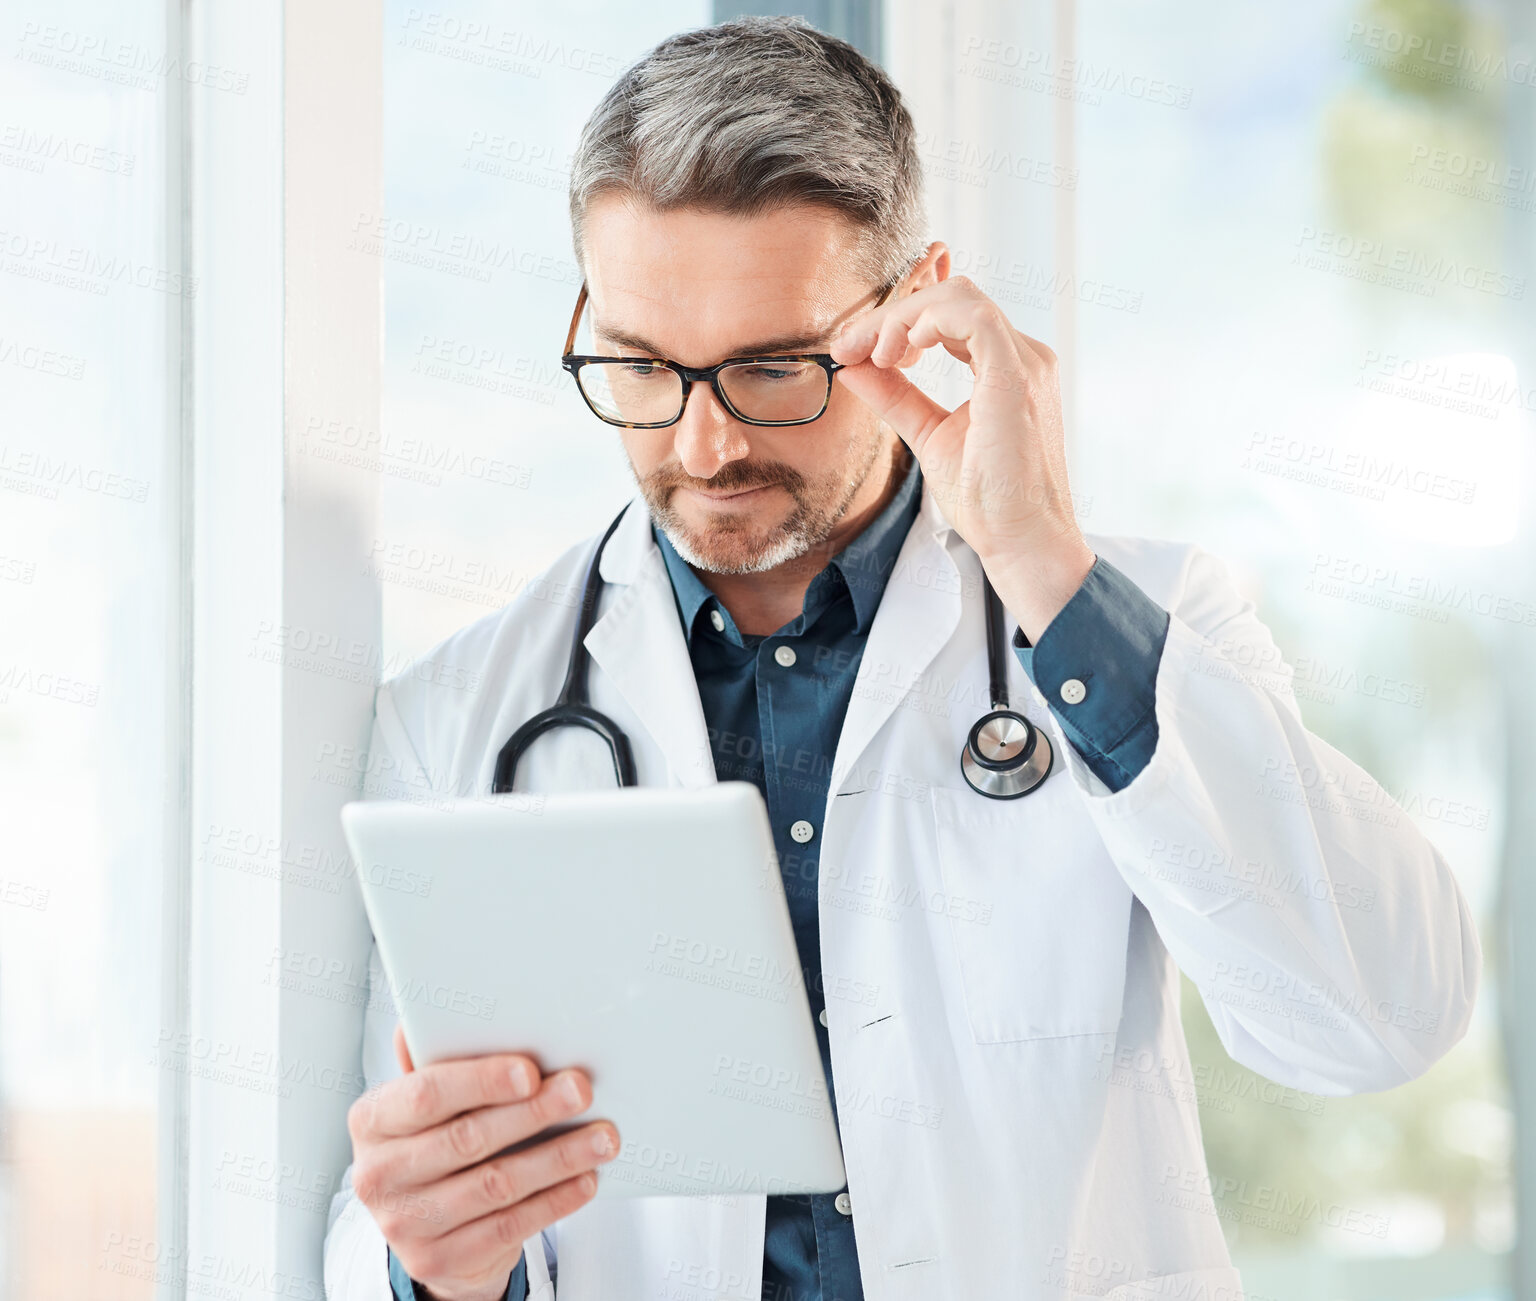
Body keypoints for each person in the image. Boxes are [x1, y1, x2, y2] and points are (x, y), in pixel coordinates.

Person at [323, 16, 1481, 1301]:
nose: (703, 447)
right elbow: (391, 1203)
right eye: (644, 365)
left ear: (912, 309)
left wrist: (1044, 564)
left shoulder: (1134, 628)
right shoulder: (465, 716)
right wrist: (432, 1263)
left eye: (771, 367)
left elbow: (1380, 1015)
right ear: (587, 309)